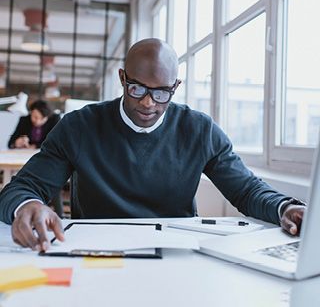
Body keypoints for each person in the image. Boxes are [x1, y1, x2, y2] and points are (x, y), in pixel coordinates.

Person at [0, 38, 305, 252]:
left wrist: (285, 207)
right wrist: (29, 207)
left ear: (176, 87)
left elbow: (247, 190)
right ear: (122, 78)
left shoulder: (199, 129)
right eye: (137, 88)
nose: (148, 103)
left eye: (161, 93)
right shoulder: (79, 127)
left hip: (179, 252)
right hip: (96, 250)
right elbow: (17, 190)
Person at [7, 99, 63, 217]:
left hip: (47, 160)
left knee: (51, 181)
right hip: (23, 160)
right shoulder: (24, 120)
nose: (37, 121)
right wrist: (17, 142)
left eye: (41, 118)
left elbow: (56, 143)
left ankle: (59, 215)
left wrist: (34, 145)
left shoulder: (55, 119)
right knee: (18, 181)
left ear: (47, 117)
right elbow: (10, 142)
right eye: (34, 117)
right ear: (31, 113)